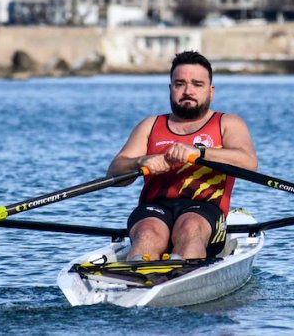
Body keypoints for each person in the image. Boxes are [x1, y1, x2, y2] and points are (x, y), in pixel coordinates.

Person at [107, 50, 258, 261]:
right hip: (154, 209)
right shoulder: (150, 126)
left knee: (190, 226)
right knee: (148, 232)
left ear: (211, 91)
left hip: (206, 210)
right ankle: (138, 282)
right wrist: (141, 161)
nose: (188, 91)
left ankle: (179, 281)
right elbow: (114, 173)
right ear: (171, 89)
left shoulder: (228, 123)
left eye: (197, 84)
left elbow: (249, 163)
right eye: (180, 84)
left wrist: (199, 153)